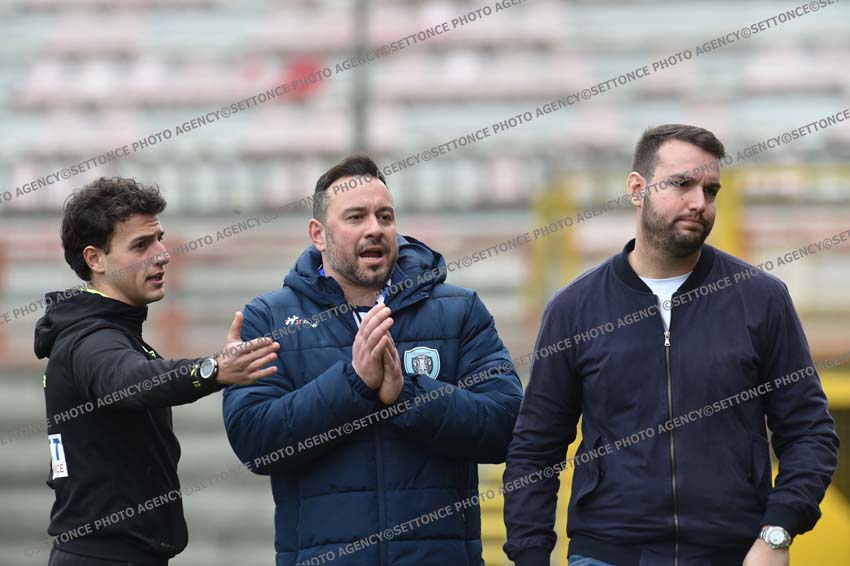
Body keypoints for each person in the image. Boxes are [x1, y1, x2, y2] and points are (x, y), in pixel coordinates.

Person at [503, 124, 839, 566]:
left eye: (710, 190)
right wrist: (530, 554)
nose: (699, 203)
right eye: (682, 184)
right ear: (636, 189)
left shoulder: (761, 299)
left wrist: (777, 532)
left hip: (734, 553)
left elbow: (810, 432)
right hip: (609, 553)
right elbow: (535, 448)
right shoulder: (575, 309)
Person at [222, 153, 523, 566]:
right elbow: (255, 441)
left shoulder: (459, 310)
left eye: (385, 216)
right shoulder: (270, 318)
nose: (375, 229)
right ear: (318, 234)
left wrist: (406, 395)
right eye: (356, 217)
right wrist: (353, 383)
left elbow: (507, 425)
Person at [35, 177, 280, 566]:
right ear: (95, 259)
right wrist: (214, 369)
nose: (162, 255)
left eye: (159, 239)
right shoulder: (90, 339)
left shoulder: (110, 332)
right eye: (141, 246)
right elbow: (130, 380)